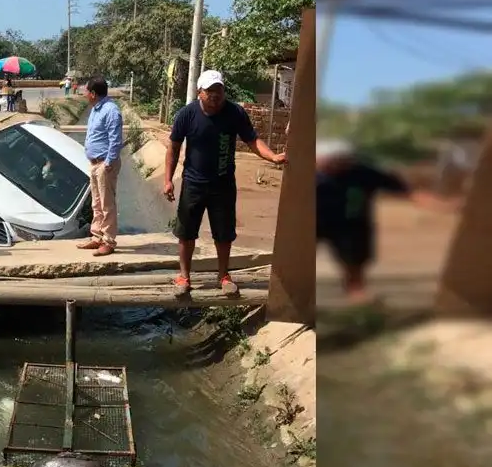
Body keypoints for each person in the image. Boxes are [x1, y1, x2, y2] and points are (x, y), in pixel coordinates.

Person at [163, 70, 286, 297]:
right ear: (200, 93)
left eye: (218, 90)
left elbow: (252, 140)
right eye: (210, 91)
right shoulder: (186, 115)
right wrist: (168, 180)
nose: (215, 95)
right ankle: (184, 276)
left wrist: (273, 157)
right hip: (193, 183)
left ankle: (223, 275)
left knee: (224, 233)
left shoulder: (235, 113)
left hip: (223, 184)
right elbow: (174, 147)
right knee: (186, 232)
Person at [316, 139, 460, 305]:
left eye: (335, 161)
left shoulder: (365, 173)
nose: (328, 166)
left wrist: (443, 206)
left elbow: (408, 193)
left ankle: (355, 291)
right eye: (323, 162)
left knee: (355, 261)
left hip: (351, 225)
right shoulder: (312, 174)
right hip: (314, 221)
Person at [76, 76, 123, 257]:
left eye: (86, 91)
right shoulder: (96, 109)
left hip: (105, 163)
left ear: (93, 93)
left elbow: (115, 139)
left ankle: (108, 241)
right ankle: (97, 236)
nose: (84, 95)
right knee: (96, 202)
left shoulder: (111, 111)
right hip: (95, 163)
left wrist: (109, 162)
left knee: (107, 204)